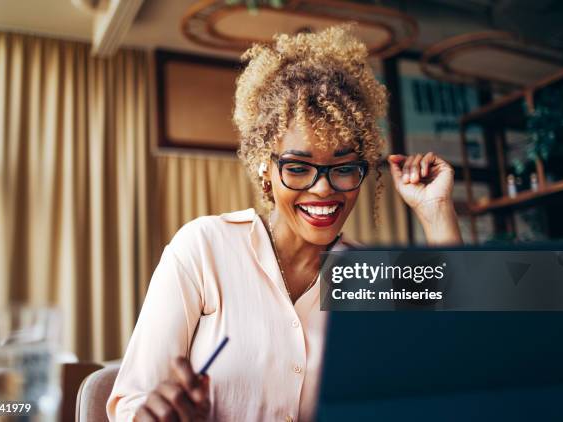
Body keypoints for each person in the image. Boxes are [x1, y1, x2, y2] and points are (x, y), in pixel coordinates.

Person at [106, 25, 462, 422]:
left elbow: (458, 361)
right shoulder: (203, 248)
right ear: (266, 167)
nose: (323, 189)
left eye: (343, 168)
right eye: (297, 167)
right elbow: (134, 403)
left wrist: (437, 211)